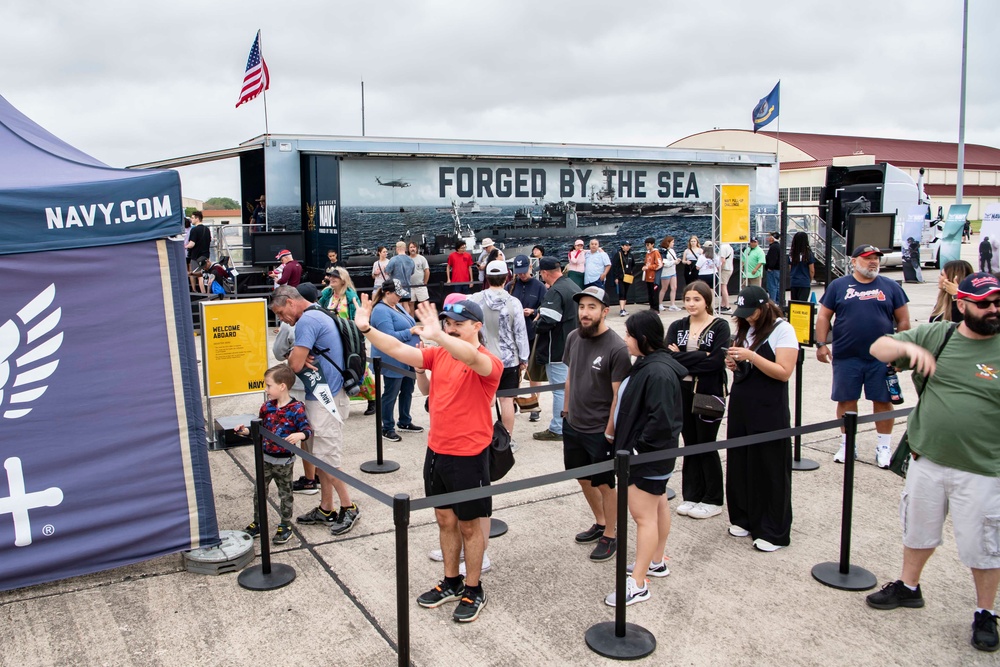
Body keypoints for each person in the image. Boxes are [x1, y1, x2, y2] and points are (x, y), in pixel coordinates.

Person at [865, 272, 1000, 653]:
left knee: (984, 545)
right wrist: (912, 352)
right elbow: (878, 347)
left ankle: (985, 611)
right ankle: (909, 586)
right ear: (962, 305)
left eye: (997, 303)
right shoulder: (940, 336)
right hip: (928, 459)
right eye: (984, 303)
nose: (993, 310)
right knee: (917, 529)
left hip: (984, 468)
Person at [355, 297, 502, 623]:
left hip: (469, 456)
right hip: (436, 451)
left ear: (476, 327)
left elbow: (471, 356)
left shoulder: (488, 361)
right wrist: (366, 329)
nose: (450, 329)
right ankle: (451, 581)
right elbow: (396, 348)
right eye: (447, 323)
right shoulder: (439, 353)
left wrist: (439, 335)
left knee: (469, 526)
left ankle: (474, 588)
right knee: (444, 520)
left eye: (457, 324)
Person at [606, 310, 685, 606]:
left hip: (646, 458)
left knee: (643, 517)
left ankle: (638, 583)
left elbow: (662, 421)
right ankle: (655, 561)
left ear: (642, 338)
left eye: (628, 334)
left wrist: (637, 451)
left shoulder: (658, 372)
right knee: (657, 506)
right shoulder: (651, 364)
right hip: (648, 456)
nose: (625, 340)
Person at [269, 286, 359, 536]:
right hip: (325, 395)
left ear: (290, 302)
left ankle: (348, 506)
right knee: (320, 454)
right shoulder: (319, 312)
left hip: (325, 398)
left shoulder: (306, 321)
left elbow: (295, 365)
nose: (281, 319)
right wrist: (296, 355)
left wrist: (293, 358)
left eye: (280, 312)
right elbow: (298, 358)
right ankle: (326, 507)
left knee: (328, 458)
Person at [816, 245, 911, 468]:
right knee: (847, 400)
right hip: (847, 356)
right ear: (854, 261)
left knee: (883, 400)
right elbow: (823, 317)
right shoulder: (838, 286)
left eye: (876, 258)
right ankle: (848, 444)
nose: (873, 262)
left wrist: (901, 351)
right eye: (868, 258)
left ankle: (884, 446)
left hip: (882, 357)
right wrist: (821, 344)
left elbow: (904, 321)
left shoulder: (890, 286)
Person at [724, 285, 798, 552]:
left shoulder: (783, 330)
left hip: (769, 406)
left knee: (769, 464)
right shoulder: (745, 328)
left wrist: (752, 356)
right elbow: (744, 366)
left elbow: (783, 372)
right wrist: (735, 363)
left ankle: (772, 528)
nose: (748, 318)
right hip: (743, 401)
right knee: (741, 459)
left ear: (764, 307)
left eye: (751, 313)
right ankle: (743, 515)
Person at [562, 286, 632, 562]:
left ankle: (612, 534)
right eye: (582, 307)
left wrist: (610, 431)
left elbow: (618, 395)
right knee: (582, 477)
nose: (585, 313)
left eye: (592, 307)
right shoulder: (573, 338)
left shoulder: (617, 348)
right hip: (574, 424)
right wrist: (565, 412)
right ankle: (601, 521)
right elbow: (570, 377)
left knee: (605, 484)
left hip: (600, 429)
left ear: (605, 311)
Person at [666, 281, 731, 520]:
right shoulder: (678, 325)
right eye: (688, 299)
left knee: (706, 442)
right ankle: (692, 495)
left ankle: (713, 499)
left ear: (707, 301)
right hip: (682, 391)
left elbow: (716, 361)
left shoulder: (720, 326)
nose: (691, 304)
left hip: (709, 391)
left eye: (697, 299)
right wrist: (697, 355)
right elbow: (668, 357)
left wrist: (682, 356)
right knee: (690, 441)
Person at [236, 364, 312, 545]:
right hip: (265, 458)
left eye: (269, 386)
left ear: (282, 386)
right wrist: (245, 431)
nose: (266, 389)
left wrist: (300, 435)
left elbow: (307, 430)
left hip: (284, 462)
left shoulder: (296, 409)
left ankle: (285, 524)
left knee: (285, 493)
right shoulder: (266, 407)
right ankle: (259, 522)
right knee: (259, 492)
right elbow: (260, 430)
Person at [469, 260, 530, 444]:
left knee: (484, 401)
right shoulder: (514, 302)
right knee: (507, 401)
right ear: (506, 277)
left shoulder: (475, 299)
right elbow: (520, 332)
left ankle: (483, 438)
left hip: (483, 357)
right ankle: (507, 441)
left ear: (487, 277)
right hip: (508, 359)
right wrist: (524, 358)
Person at [532, 256, 581, 441]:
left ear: (545, 273)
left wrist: (535, 324)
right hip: (573, 345)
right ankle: (570, 423)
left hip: (557, 348)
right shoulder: (573, 286)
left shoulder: (555, 291)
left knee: (560, 390)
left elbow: (548, 321)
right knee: (570, 387)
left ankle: (558, 428)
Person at [369, 280, 423, 442]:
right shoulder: (380, 310)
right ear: (387, 293)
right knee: (391, 392)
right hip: (391, 358)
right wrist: (410, 331)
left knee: (407, 389)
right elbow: (387, 337)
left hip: (407, 355)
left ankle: (404, 420)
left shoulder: (396, 306)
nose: (400, 296)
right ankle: (387, 427)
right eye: (397, 294)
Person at [508, 254, 547, 423]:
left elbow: (545, 307)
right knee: (514, 370)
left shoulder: (539, 287)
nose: (522, 275)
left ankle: (534, 404)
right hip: (514, 335)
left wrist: (534, 312)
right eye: (519, 272)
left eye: (524, 271)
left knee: (533, 372)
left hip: (532, 332)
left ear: (530, 268)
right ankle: (512, 401)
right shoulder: (510, 286)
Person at [185, 211, 211, 293]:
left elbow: (192, 244)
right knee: (204, 275)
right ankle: (207, 292)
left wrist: (185, 246)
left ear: (197, 218)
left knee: (197, 275)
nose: (191, 220)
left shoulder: (194, 230)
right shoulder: (207, 229)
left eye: (192, 218)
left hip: (196, 256)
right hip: (205, 255)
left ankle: (200, 292)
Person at [385, 240, 416, 305]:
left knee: (398, 306)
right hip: (407, 287)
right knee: (406, 305)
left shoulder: (394, 259)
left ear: (397, 248)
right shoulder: (411, 260)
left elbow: (387, 271)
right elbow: (412, 272)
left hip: (396, 288)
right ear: (405, 248)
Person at [788, 231, 816, 302]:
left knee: (794, 304)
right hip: (804, 281)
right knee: (802, 304)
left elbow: (790, 268)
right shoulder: (808, 253)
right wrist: (809, 280)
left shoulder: (792, 253)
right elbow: (811, 270)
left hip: (794, 281)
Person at [611, 241, 635, 317]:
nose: (628, 247)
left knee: (625, 292)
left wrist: (631, 271)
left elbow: (633, 265)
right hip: (620, 277)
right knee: (622, 292)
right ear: (622, 246)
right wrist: (616, 277)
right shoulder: (618, 255)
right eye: (626, 245)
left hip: (628, 277)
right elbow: (614, 266)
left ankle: (624, 308)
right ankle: (621, 309)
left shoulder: (630, 255)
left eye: (629, 245)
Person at [408, 241, 431, 311]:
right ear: (408, 249)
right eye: (411, 247)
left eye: (414, 247)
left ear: (417, 248)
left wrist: (425, 283)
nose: (412, 249)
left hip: (421, 286)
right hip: (410, 287)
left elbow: (427, 271)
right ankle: (411, 321)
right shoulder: (406, 259)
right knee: (410, 305)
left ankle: (426, 321)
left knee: (424, 304)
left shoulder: (422, 258)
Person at [659, 236, 680, 312]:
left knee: (674, 287)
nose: (673, 244)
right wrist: (674, 262)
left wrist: (676, 261)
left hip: (673, 271)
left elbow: (673, 260)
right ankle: (660, 304)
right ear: (668, 243)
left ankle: (672, 304)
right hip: (666, 272)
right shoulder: (662, 251)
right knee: (664, 288)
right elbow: (665, 263)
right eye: (672, 242)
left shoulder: (672, 250)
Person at [642, 237, 663, 312]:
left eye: (648, 244)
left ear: (652, 244)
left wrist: (648, 267)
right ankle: (652, 307)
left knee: (654, 294)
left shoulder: (656, 253)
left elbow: (659, 265)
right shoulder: (647, 253)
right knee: (650, 294)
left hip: (653, 277)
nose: (646, 246)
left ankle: (656, 309)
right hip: (648, 276)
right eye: (646, 245)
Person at [764, 231, 782, 302]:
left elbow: (773, 259)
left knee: (772, 287)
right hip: (777, 270)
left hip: (773, 270)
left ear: (772, 238)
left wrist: (770, 267)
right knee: (777, 286)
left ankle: (773, 302)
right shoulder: (778, 246)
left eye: (770, 236)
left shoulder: (773, 247)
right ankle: (777, 301)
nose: (768, 238)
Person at [718, 241, 735, 311]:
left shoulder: (723, 247)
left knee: (723, 287)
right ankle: (723, 304)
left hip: (725, 269)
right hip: (729, 268)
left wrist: (719, 269)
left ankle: (727, 306)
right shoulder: (730, 247)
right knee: (723, 286)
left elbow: (723, 260)